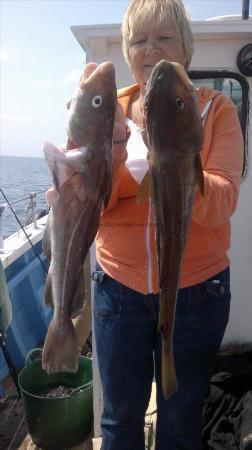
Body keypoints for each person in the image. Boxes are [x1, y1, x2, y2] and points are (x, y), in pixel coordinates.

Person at [91, 1, 244, 449]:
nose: (150, 50)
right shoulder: (108, 109)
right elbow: (93, 201)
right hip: (118, 288)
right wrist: (122, 149)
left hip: (198, 290)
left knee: (180, 423)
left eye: (164, 38)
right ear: (127, 49)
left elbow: (223, 200)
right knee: (119, 423)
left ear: (186, 47)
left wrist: (175, 166)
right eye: (139, 40)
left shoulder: (216, 112)